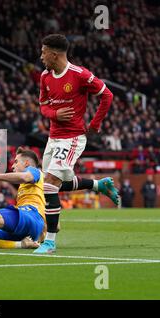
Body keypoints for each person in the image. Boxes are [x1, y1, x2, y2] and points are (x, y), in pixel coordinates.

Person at [35, 34, 120, 254]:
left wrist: (95, 125)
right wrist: (55, 113)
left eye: (44, 52)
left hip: (73, 137)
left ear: (54, 54)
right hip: (53, 137)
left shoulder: (80, 75)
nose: (41, 56)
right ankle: (98, 185)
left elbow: (107, 95)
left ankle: (50, 242)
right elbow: (43, 107)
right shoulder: (45, 76)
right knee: (52, 184)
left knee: (50, 184)